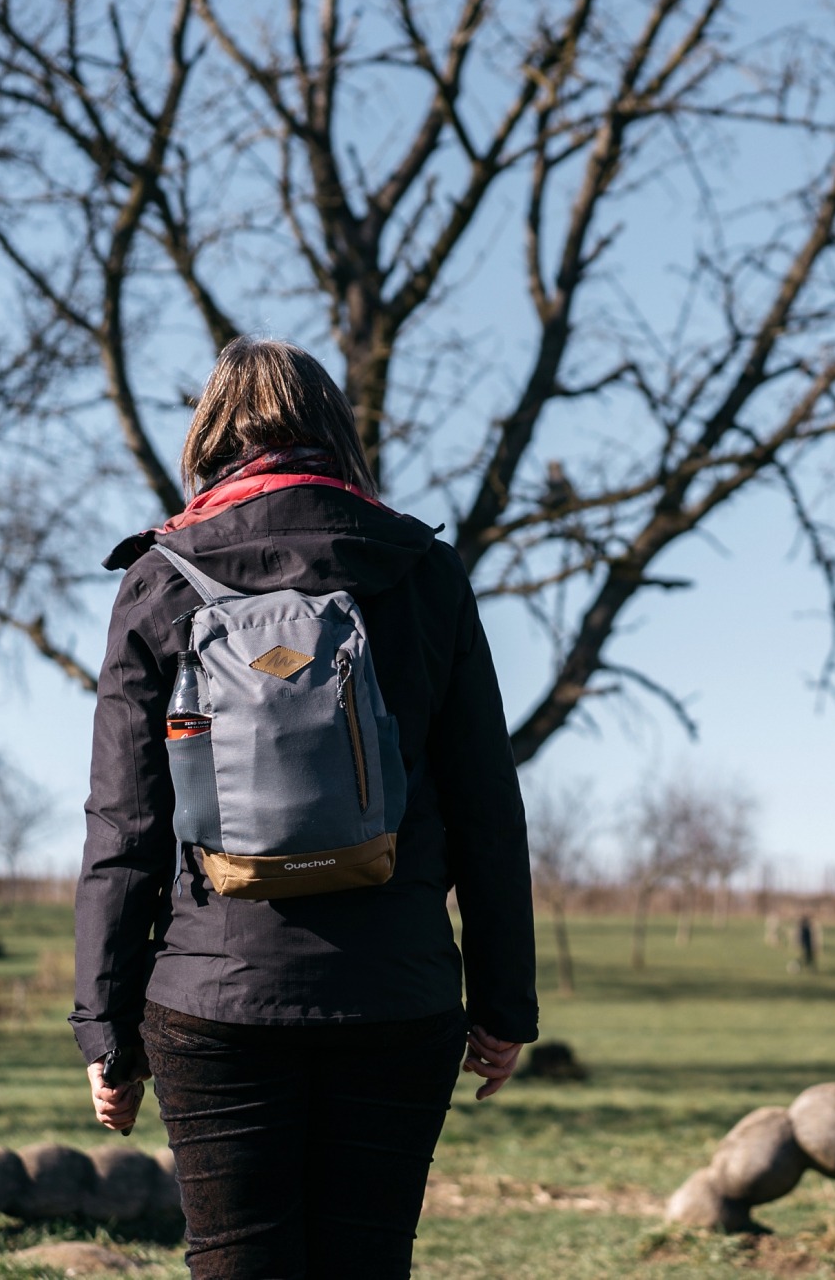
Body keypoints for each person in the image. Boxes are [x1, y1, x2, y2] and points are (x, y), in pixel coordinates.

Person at [72, 337, 536, 1280]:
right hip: (396, 991)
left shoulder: (161, 580)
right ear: (333, 432)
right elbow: (489, 804)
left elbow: (124, 828)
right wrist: (503, 1004)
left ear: (212, 437)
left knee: (237, 1262)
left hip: (212, 997)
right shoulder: (423, 571)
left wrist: (106, 1028)